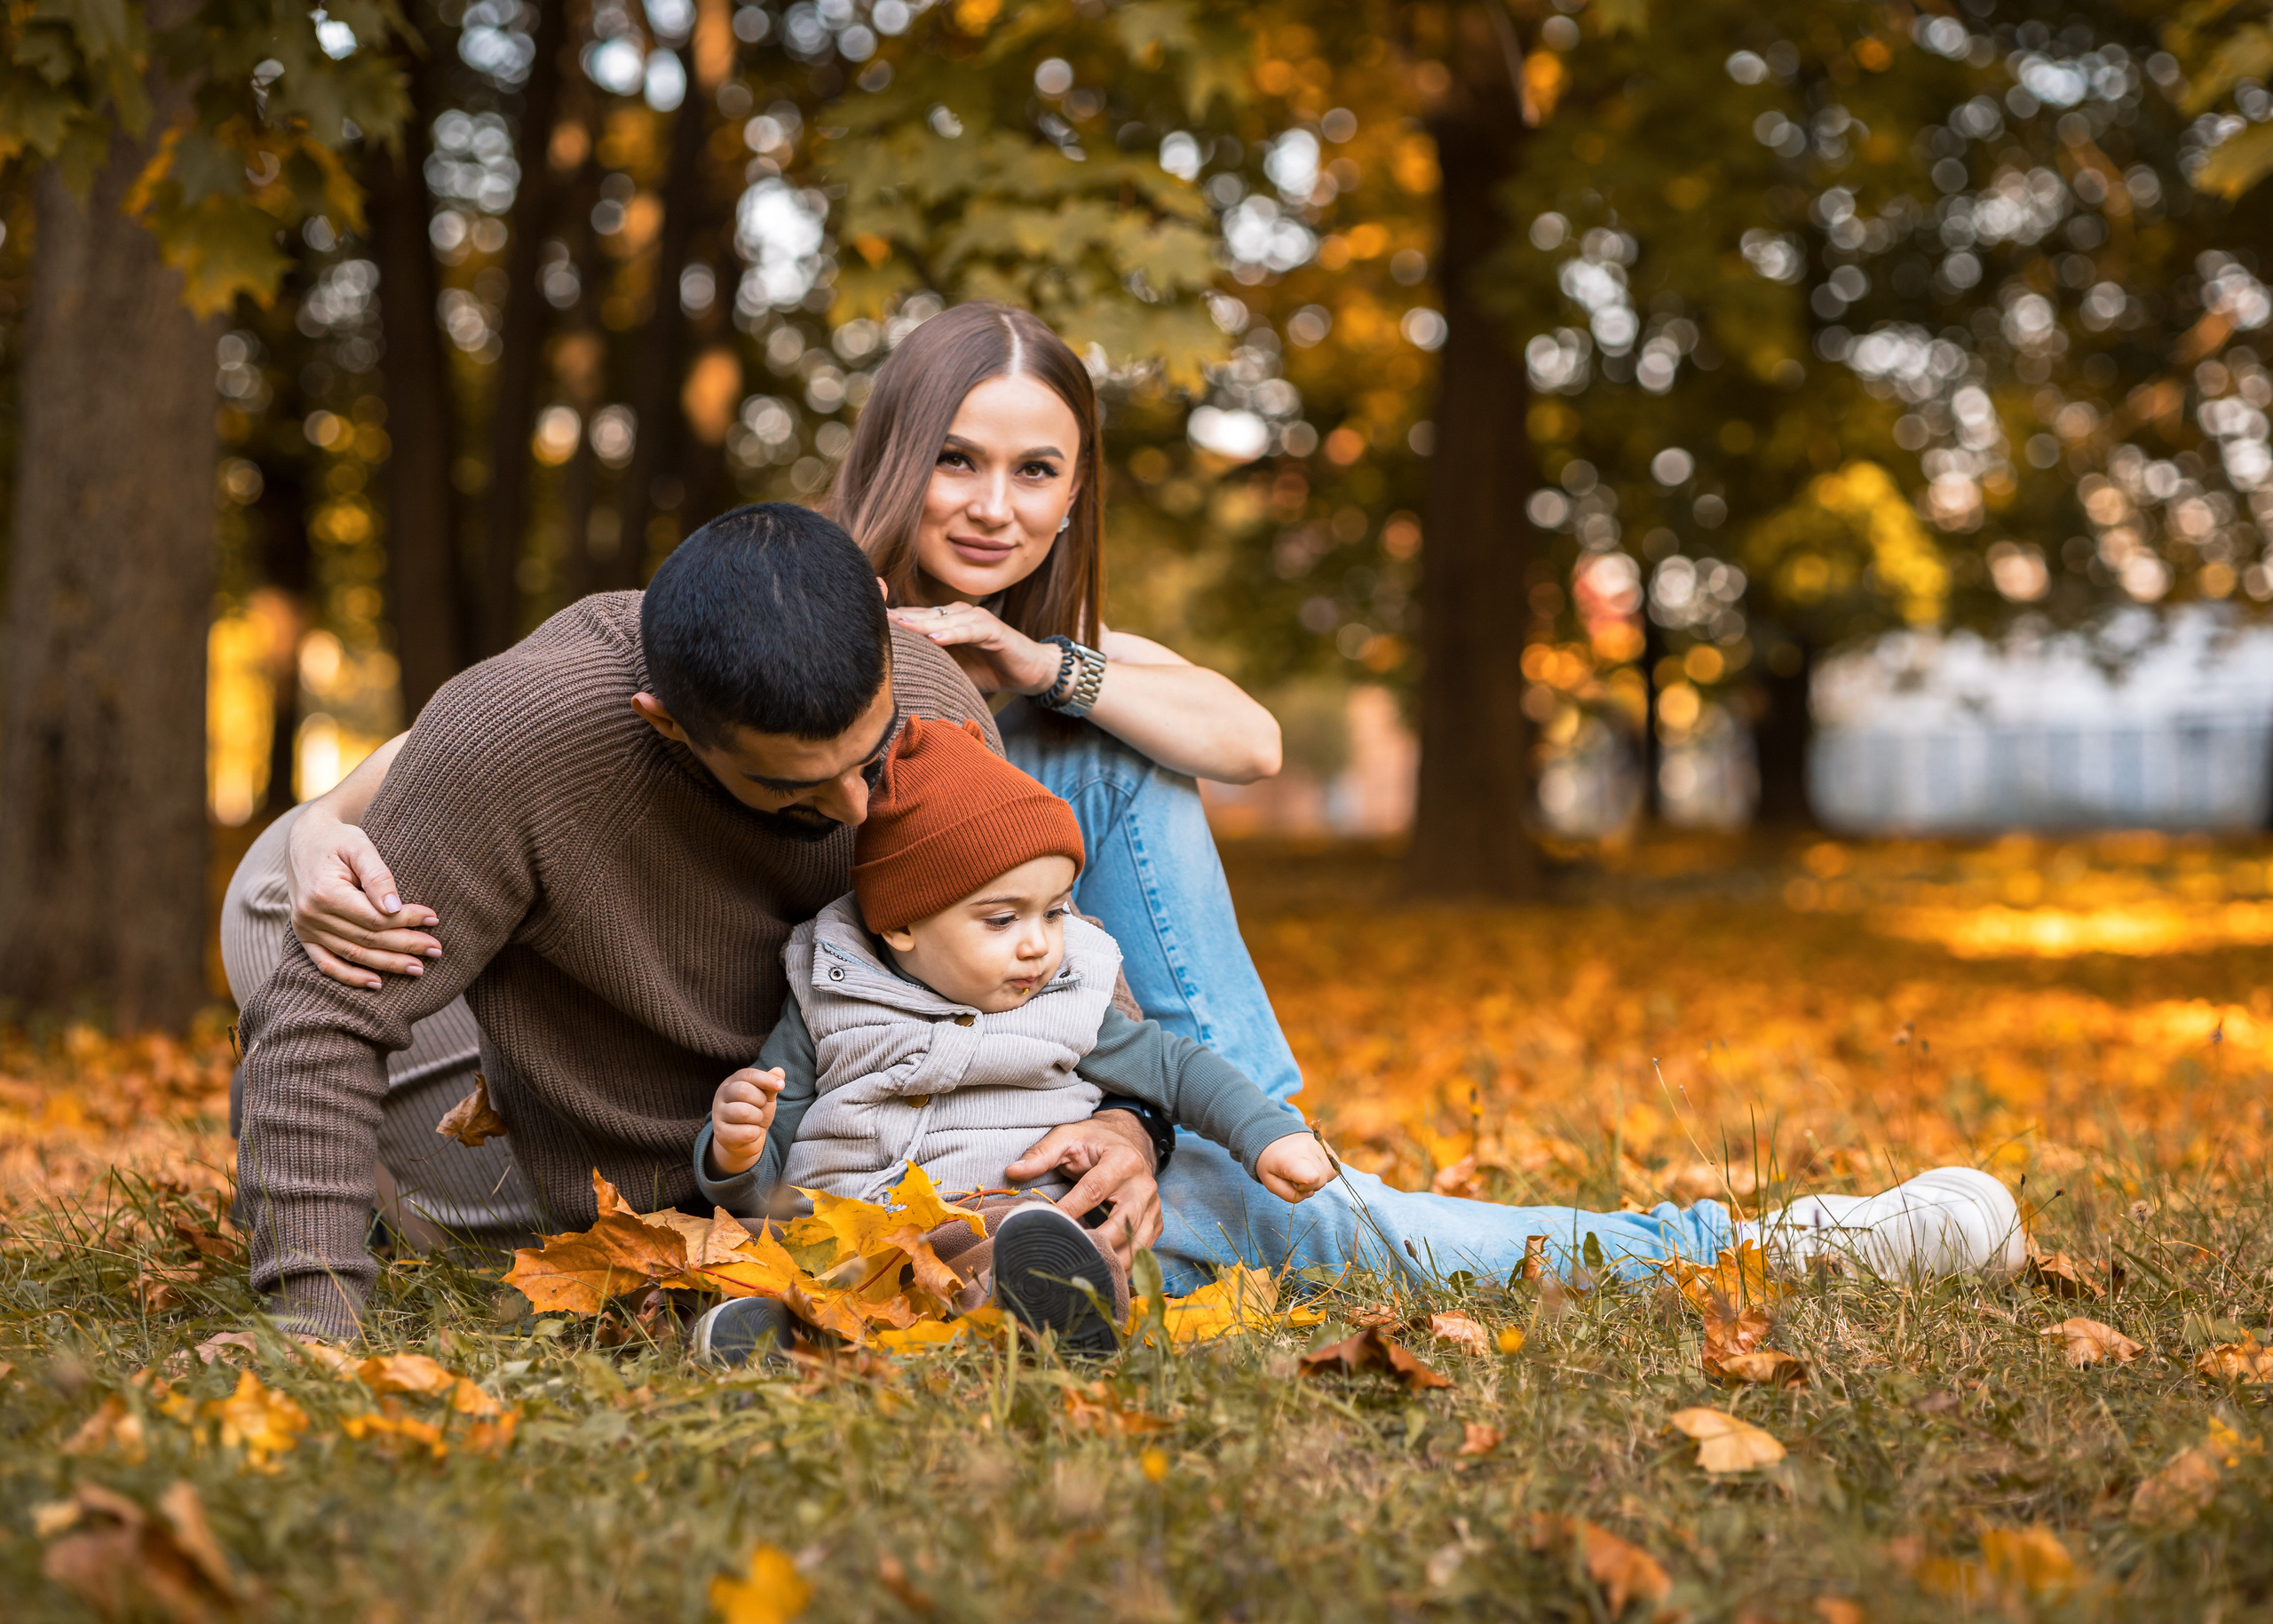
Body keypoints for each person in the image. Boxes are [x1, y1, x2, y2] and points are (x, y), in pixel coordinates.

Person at [242, 303, 2025, 1343]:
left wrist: (1124, 1083)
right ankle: (1274, 1201)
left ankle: (1246, 1165)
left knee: (1146, 806)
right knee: (1321, 1228)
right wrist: (331, 820)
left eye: (1036, 470)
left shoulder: (971, 679)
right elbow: (456, 786)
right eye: (955, 460)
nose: (992, 502)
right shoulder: (681, 661)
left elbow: (1221, 755)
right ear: (884, 463)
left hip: (1035, 1080)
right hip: (811, 1133)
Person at [231, 504, 1171, 1340]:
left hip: (856, 1167)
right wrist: (313, 1318)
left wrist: (1134, 1124)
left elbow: (1056, 948)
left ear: (884, 620)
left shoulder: (928, 697)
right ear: (666, 722)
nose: (856, 807)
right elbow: (323, 1023)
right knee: (291, 905)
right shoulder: (525, 741)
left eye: (870, 752)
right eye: (793, 785)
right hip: (612, 1171)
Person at [688, 715, 1336, 1363]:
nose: (1037, 943)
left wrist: (1268, 1132)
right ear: (901, 924)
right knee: (754, 1245)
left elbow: (1178, 1067)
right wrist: (736, 1153)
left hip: (991, 1219)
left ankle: (1044, 1306)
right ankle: (772, 1327)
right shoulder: (827, 993)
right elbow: (764, 1177)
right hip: (841, 1228)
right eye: (1002, 918)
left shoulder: (1067, 998)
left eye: (1054, 910)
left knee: (1028, 1240)